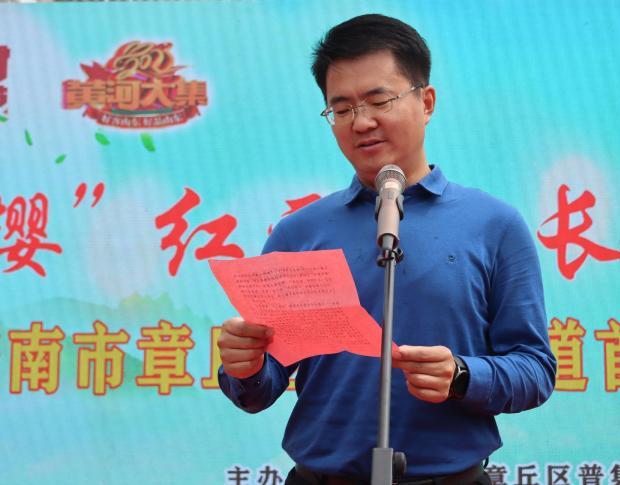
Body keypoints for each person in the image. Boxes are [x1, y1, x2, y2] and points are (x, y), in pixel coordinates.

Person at [218, 14, 556, 485]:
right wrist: (245, 366)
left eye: (380, 101)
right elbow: (259, 388)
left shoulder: (493, 225)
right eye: (341, 109)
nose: (362, 122)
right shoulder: (299, 234)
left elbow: (534, 369)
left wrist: (463, 375)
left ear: (426, 101)